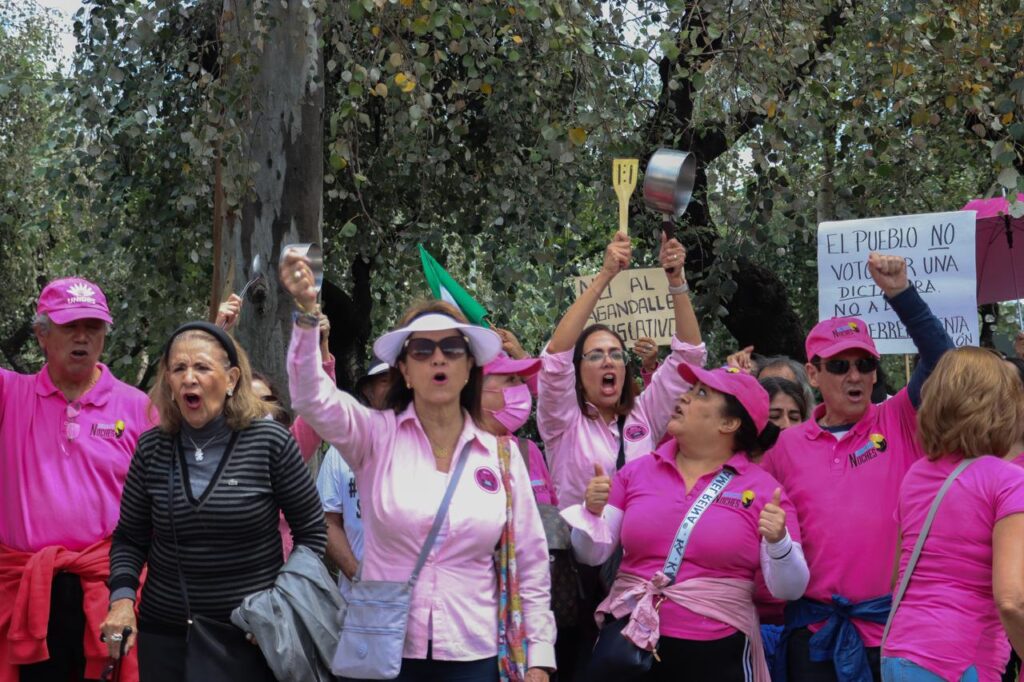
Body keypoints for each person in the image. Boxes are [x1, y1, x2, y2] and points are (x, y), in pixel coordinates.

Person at [282, 248, 556, 682]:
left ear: (470, 369)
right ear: (405, 372)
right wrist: (305, 315)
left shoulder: (502, 455)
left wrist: (539, 658)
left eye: (452, 348)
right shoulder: (373, 436)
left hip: (477, 654)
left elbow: (531, 562)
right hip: (385, 652)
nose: (438, 358)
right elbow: (311, 398)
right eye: (422, 350)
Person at [761, 252, 954, 682]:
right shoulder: (785, 446)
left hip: (891, 634)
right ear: (812, 374)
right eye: (839, 365)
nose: (855, 376)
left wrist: (901, 294)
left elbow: (943, 361)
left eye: (865, 364)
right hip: (812, 635)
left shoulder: (899, 418)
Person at [100, 321, 326, 682]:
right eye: (179, 368)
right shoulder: (152, 448)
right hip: (166, 637)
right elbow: (130, 538)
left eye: (202, 367)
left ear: (232, 378)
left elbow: (312, 534)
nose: (189, 378)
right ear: (169, 383)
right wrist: (123, 600)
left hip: (248, 637)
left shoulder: (270, 442)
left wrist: (279, 608)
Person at [563, 364, 809, 680]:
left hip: (717, 653)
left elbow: (790, 588)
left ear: (729, 422)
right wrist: (591, 514)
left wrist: (779, 544)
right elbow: (590, 555)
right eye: (690, 390)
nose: (685, 398)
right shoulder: (636, 472)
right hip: (629, 646)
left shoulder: (763, 492)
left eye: (701, 394)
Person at [0, 277, 152, 682]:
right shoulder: (9, 394)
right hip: (25, 589)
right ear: (41, 335)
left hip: (107, 591)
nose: (83, 337)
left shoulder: (138, 408)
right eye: (70, 326)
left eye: (93, 326)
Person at [882, 347, 1024, 681]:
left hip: (898, 653)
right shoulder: (1008, 480)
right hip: (960, 661)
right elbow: (1010, 599)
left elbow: (896, 578)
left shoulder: (916, 475)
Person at [537, 232, 704, 511]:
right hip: (581, 551)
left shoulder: (645, 413)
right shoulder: (561, 421)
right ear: (576, 371)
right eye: (595, 355)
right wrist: (605, 275)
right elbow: (555, 358)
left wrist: (676, 282)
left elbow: (689, 356)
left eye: (616, 354)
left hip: (641, 550)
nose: (608, 361)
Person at [317, 357, 391, 585]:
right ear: (368, 390)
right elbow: (327, 520)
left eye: (403, 380)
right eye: (387, 380)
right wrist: (358, 576)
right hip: (359, 602)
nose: (397, 388)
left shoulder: (432, 443)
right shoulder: (342, 448)